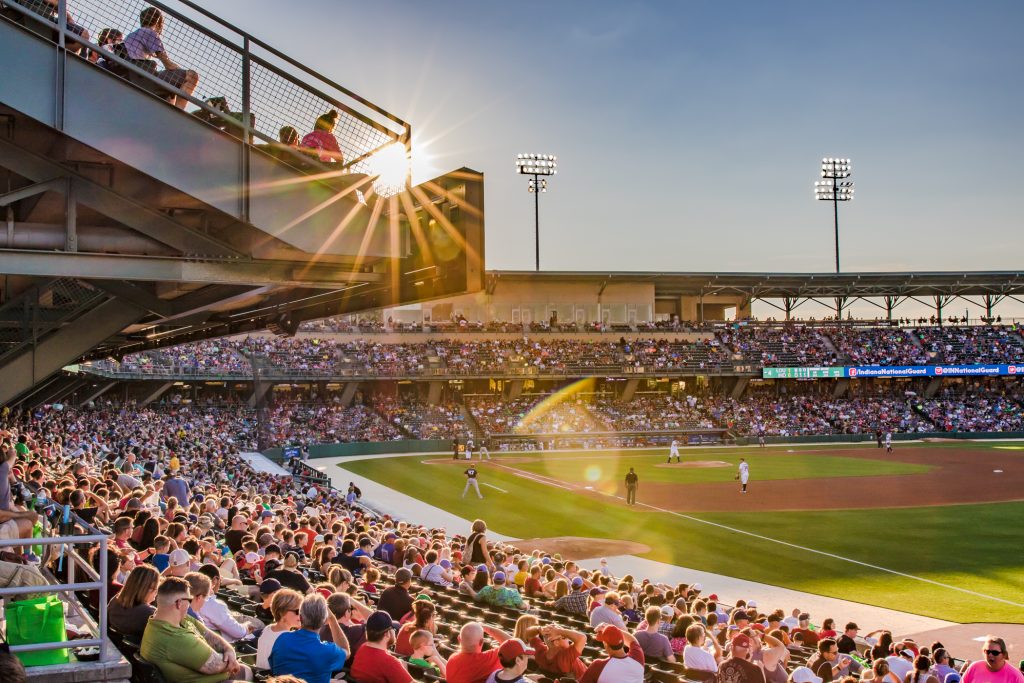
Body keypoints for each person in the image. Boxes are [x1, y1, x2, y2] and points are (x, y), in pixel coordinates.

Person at [140, 576, 251, 682]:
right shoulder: (175, 637)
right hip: (211, 679)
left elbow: (208, 634)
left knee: (246, 670)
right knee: (246, 672)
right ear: (179, 603)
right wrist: (232, 659)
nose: (190, 604)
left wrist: (229, 650)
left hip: (211, 675)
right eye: (189, 600)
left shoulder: (164, 621)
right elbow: (216, 666)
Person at [122, 7, 199, 109]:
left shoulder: (132, 35)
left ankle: (171, 110)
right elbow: (168, 65)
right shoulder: (150, 32)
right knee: (192, 75)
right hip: (145, 79)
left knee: (170, 88)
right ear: (159, 22)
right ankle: (179, 112)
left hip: (134, 76)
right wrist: (178, 68)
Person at [269, 593, 349, 683]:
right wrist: (332, 619)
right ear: (325, 620)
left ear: (300, 617)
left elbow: (273, 667)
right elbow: (346, 651)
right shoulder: (328, 651)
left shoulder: (282, 639)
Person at [349, 610, 414, 683]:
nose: (394, 631)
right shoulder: (390, 662)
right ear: (386, 634)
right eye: (393, 629)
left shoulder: (362, 648)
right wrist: (404, 670)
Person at [446, 621, 512, 683]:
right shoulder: (488, 660)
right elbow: (514, 643)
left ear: (459, 639)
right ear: (482, 642)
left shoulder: (452, 660)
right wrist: (487, 628)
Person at [580, 623, 645, 682]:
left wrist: (606, 627)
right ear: (623, 640)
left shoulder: (598, 666)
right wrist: (613, 629)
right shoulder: (638, 658)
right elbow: (632, 640)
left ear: (605, 644)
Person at [256, 588, 302, 671]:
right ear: (282, 613)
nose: (301, 615)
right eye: (297, 611)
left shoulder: (267, 629)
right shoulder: (289, 638)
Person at [108, 564, 159, 639]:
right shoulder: (150, 613)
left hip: (116, 645)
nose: (156, 592)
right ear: (147, 589)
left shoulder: (115, 601)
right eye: (156, 588)